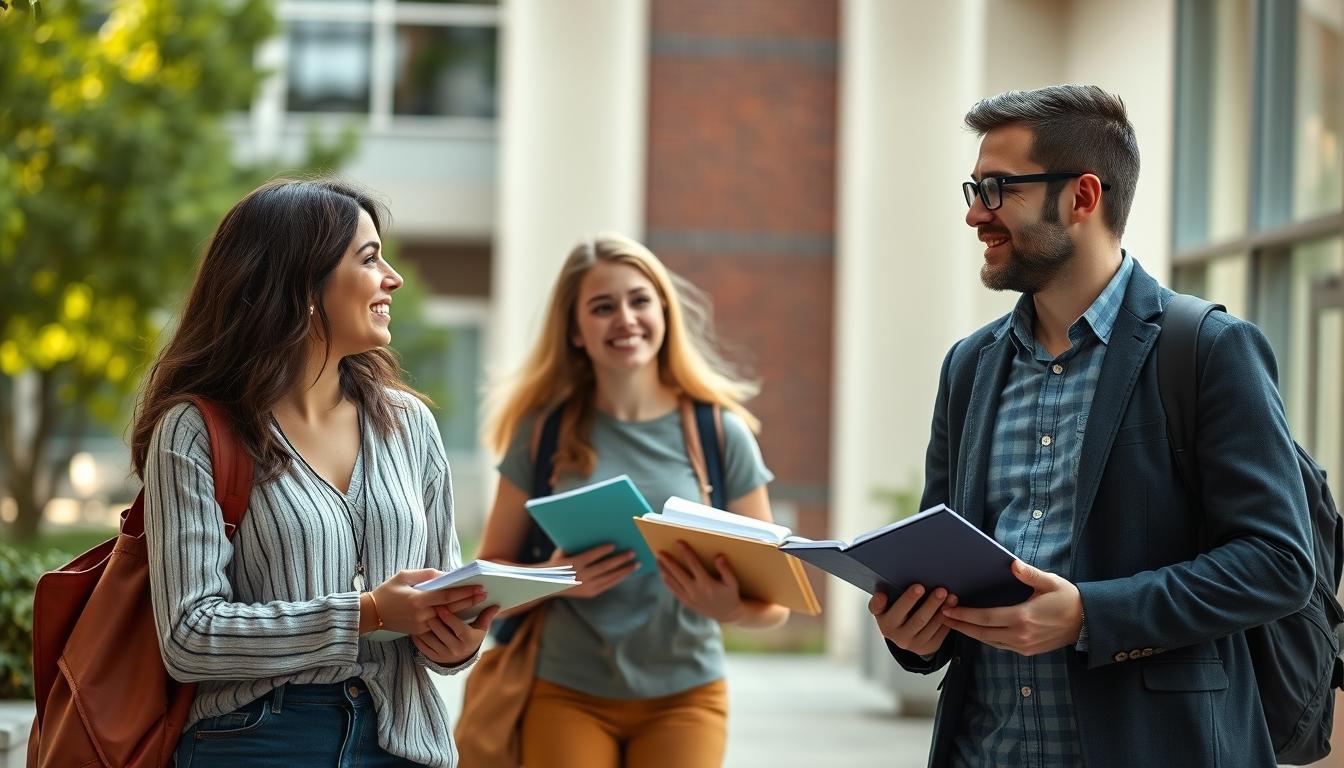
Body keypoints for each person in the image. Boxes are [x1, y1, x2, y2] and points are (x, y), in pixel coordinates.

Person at [869, 85, 1313, 767]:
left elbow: (1278, 563)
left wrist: (1090, 615)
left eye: (996, 190)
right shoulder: (969, 367)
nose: (973, 215)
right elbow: (942, 558)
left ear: (1081, 198)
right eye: (974, 187)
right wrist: (917, 632)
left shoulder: (1207, 350)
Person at [133, 178, 493, 768]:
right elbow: (188, 636)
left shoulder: (410, 425)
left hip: (402, 740)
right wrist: (367, 614)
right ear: (303, 283)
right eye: (370, 258)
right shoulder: (195, 430)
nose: (392, 278)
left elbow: (440, 598)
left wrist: (457, 639)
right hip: (257, 741)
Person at [476, 233, 789, 768]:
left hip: (687, 694)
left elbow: (777, 605)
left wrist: (731, 607)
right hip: (563, 688)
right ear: (575, 331)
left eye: (639, 300)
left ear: (663, 312)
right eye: (602, 307)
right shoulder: (541, 434)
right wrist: (557, 577)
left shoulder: (720, 433)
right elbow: (489, 580)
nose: (625, 318)